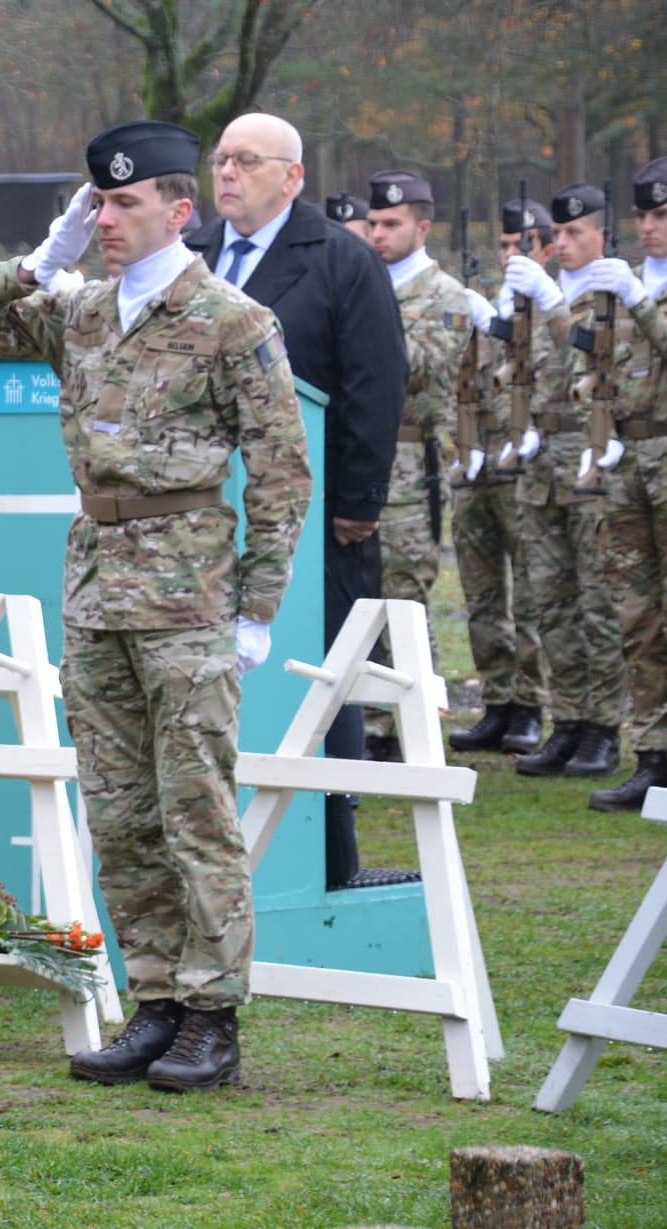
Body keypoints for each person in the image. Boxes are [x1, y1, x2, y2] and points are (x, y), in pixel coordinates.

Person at [0, 121, 313, 1092]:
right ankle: (155, 1001)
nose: (104, 219)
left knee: (194, 813)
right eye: (96, 203)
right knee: (121, 812)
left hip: (187, 597)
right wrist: (40, 260)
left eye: (123, 203)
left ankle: (212, 1012)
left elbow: (278, 471)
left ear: (177, 210)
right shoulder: (81, 312)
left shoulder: (230, 321)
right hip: (96, 589)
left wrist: (255, 608)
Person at [184, 112, 407, 887]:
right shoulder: (193, 256)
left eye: (247, 160)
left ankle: (330, 853)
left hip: (316, 518)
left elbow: (377, 383)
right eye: (221, 160)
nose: (228, 174)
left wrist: (359, 502)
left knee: (321, 676)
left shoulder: (340, 260)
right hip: (203, 509)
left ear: (293, 174)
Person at [506, 185, 627, 777]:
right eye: (560, 233)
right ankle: (568, 720)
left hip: (588, 461)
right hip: (541, 464)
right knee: (549, 601)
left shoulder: (616, 295)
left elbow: (586, 360)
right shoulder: (537, 295)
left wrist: (551, 300)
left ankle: (604, 727)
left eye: (577, 232)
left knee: (597, 599)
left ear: (604, 233)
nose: (565, 242)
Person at [556, 170, 667, 808]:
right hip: (625, 464)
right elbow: (585, 364)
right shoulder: (611, 288)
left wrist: (640, 300)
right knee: (637, 617)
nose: (649, 226)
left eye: (661, 216)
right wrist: (597, 425)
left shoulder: (633, 288)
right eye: (642, 216)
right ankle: (653, 754)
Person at [360, 171, 464, 760]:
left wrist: (367, 313)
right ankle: (373, 727)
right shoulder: (363, 283)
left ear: (422, 228)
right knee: (362, 608)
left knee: (405, 605)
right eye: (374, 223)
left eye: (392, 224)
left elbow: (418, 367)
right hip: (358, 462)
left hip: (406, 466)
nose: (378, 233)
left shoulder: (444, 296)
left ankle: (418, 727)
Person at [447, 199, 552, 756]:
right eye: (507, 247)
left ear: (545, 250)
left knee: (531, 593)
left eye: (523, 246)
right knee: (481, 591)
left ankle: (532, 704)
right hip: (476, 466)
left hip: (526, 471)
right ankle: (498, 701)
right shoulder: (486, 313)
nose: (512, 256)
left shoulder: (556, 312)